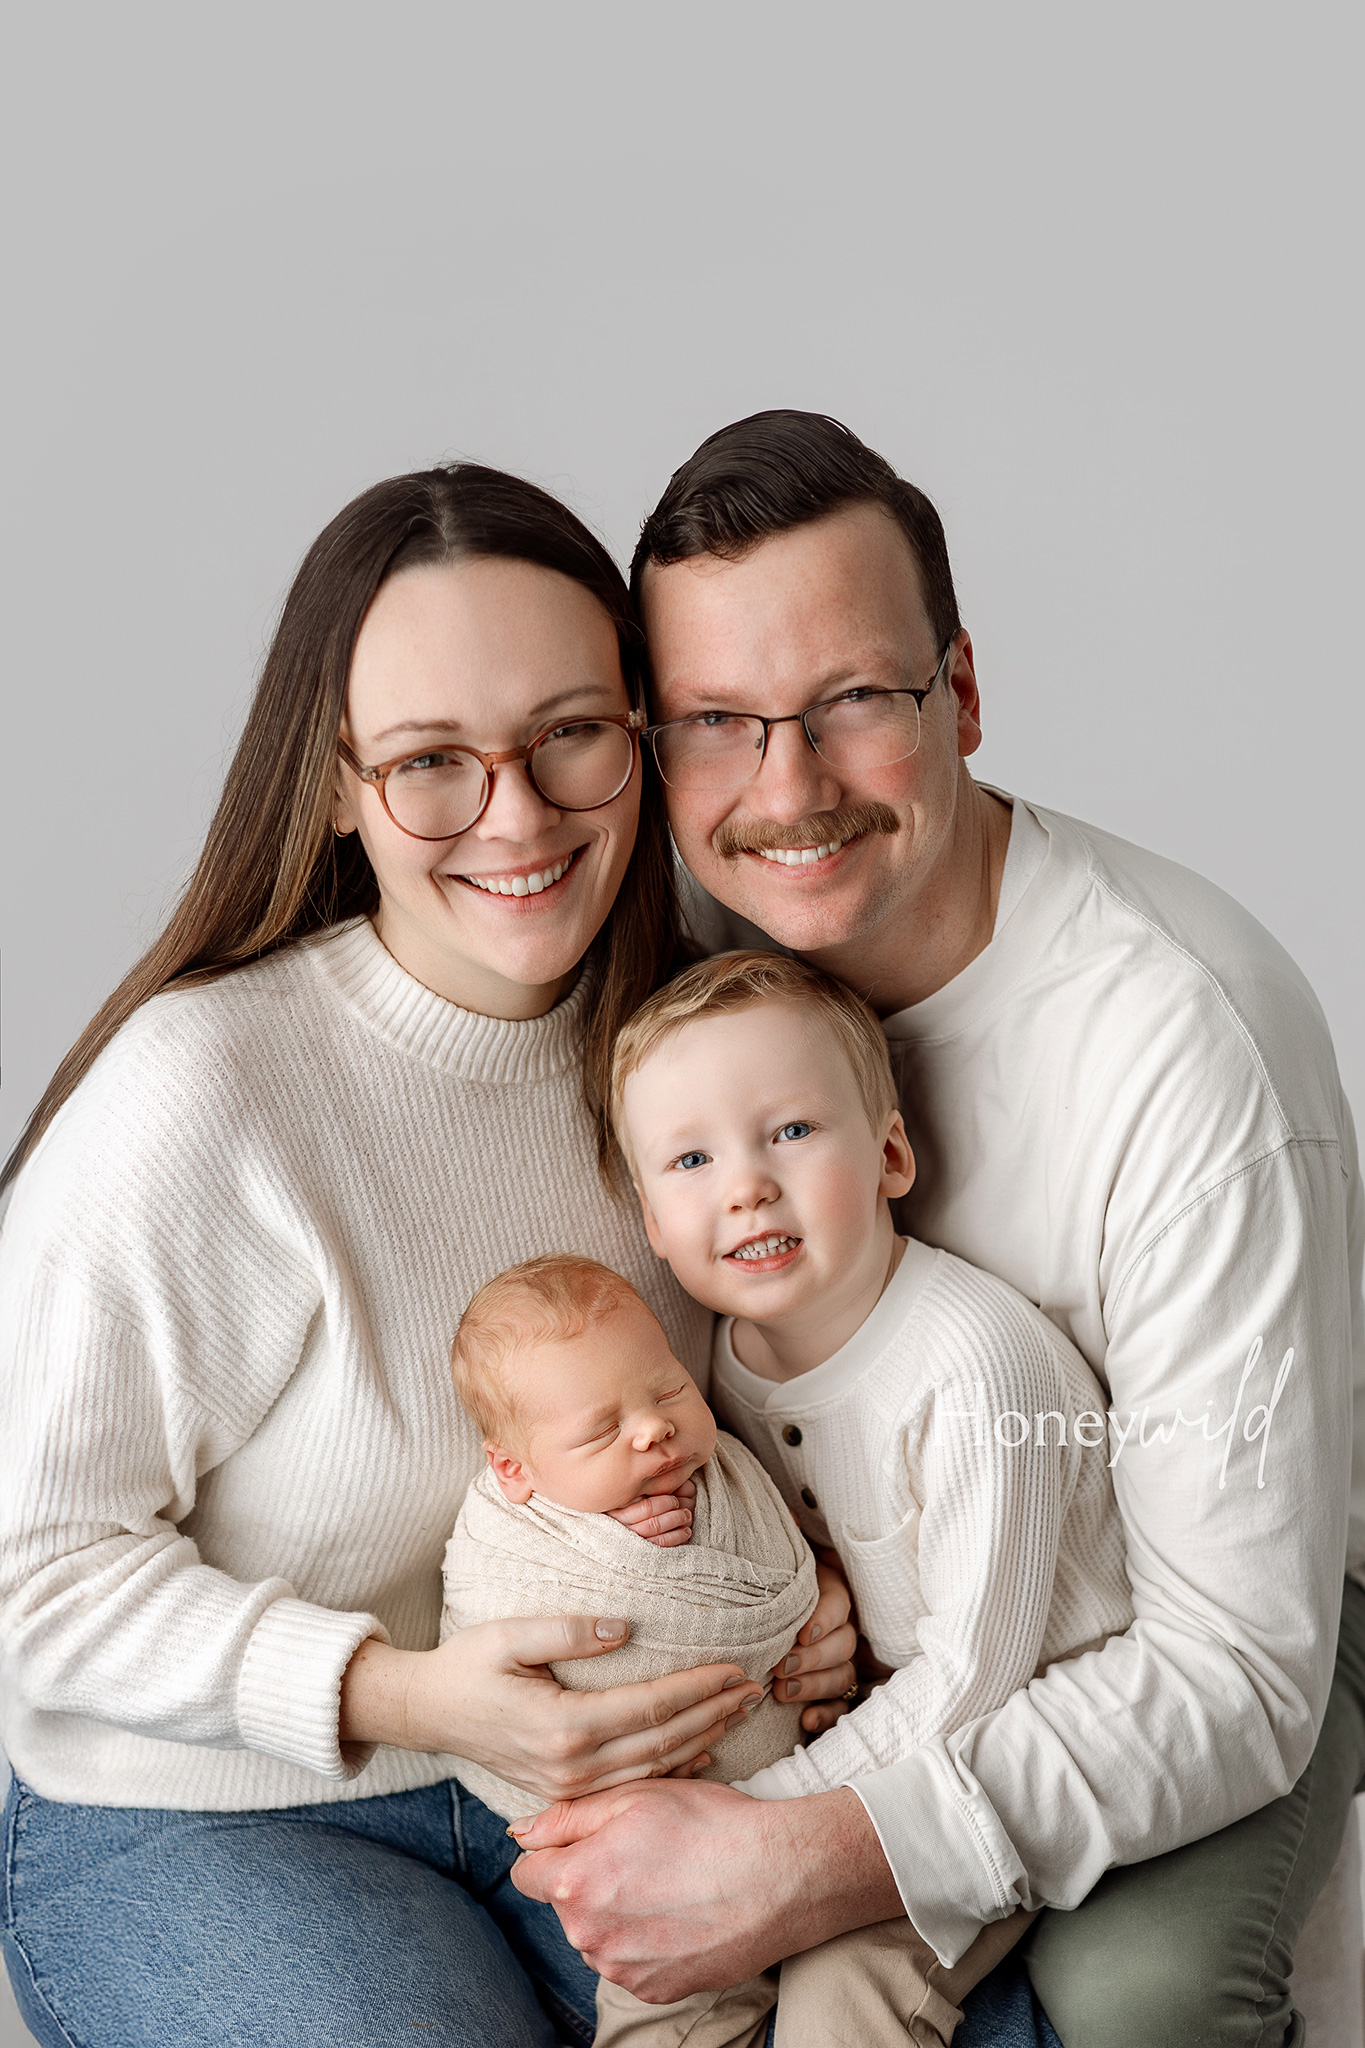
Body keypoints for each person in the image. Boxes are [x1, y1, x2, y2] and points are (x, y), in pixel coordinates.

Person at [509, 412, 1365, 2048]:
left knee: (1141, 1993)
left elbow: (1239, 1666)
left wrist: (813, 1855)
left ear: (958, 694)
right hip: (894, 1606)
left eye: (853, 701)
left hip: (1214, 1598)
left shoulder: (1180, 1044)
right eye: (715, 722)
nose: (788, 790)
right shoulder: (698, 962)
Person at [0, 458, 860, 2048]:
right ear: (334, 783)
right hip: (221, 1810)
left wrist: (812, 1591)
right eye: (430, 765)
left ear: (642, 734)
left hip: (614, 1776)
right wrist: (398, 1693)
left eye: (569, 738)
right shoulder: (206, 1097)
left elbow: (771, 1384)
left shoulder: (712, 1048)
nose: (517, 818)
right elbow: (30, 1572)